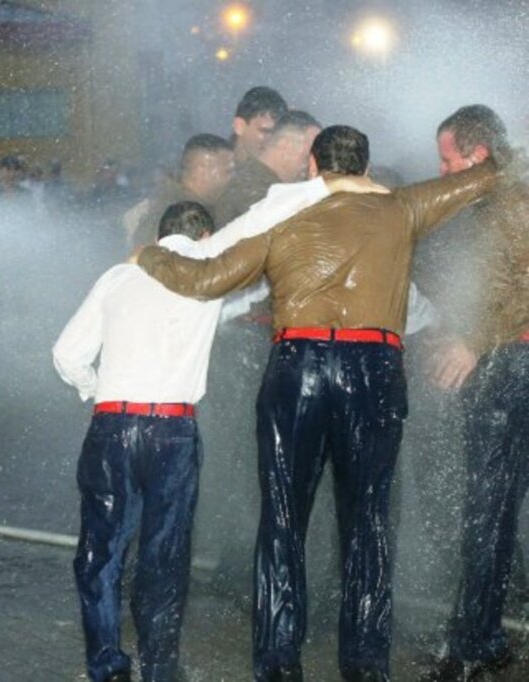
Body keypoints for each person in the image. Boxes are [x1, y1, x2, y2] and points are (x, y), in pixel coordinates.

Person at [135, 125, 498, 681]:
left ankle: (279, 665)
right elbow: (487, 176)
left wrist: (150, 258)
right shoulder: (403, 208)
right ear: (366, 168)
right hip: (372, 370)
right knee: (368, 522)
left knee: (282, 520)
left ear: (312, 166)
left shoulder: (286, 217)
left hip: (296, 370)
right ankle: (365, 666)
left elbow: (207, 278)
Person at [57, 165, 391, 682]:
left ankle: (106, 665)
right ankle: (161, 670)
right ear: (206, 236)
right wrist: (332, 184)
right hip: (171, 432)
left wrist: (96, 389)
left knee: (99, 553)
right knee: (163, 557)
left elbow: (66, 353)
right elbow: (264, 216)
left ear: (158, 236)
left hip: (110, 427)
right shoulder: (208, 269)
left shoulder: (118, 275)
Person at [422, 105, 528, 681]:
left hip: (513, 360)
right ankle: (485, 631)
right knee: (501, 504)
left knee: (486, 507)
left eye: (448, 159)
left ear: (477, 155)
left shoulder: (508, 199)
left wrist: (471, 340)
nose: (443, 171)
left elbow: (520, 285)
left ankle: (469, 646)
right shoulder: (509, 190)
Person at [215, 110, 321, 228]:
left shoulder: (255, 183)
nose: (313, 163)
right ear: (285, 145)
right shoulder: (257, 193)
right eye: (309, 155)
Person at [125, 134, 235, 248]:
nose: (233, 178)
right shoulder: (174, 216)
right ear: (202, 171)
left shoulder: (207, 206)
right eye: (228, 172)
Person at [230, 86, 289, 165]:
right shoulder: (218, 169)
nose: (272, 140)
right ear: (239, 126)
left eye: (277, 134)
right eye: (265, 131)